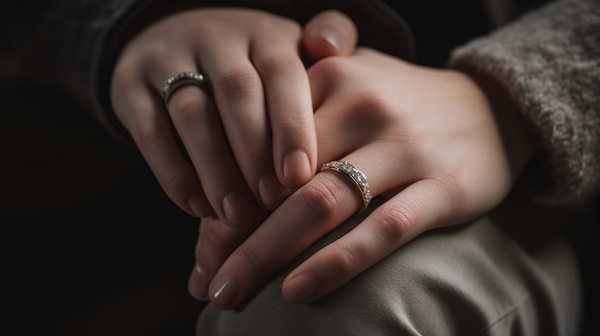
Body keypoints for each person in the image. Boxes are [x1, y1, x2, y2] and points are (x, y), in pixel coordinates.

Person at [2, 0, 598, 334]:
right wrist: (132, 20)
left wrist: (505, 100)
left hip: (538, 173)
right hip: (86, 169)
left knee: (321, 308)